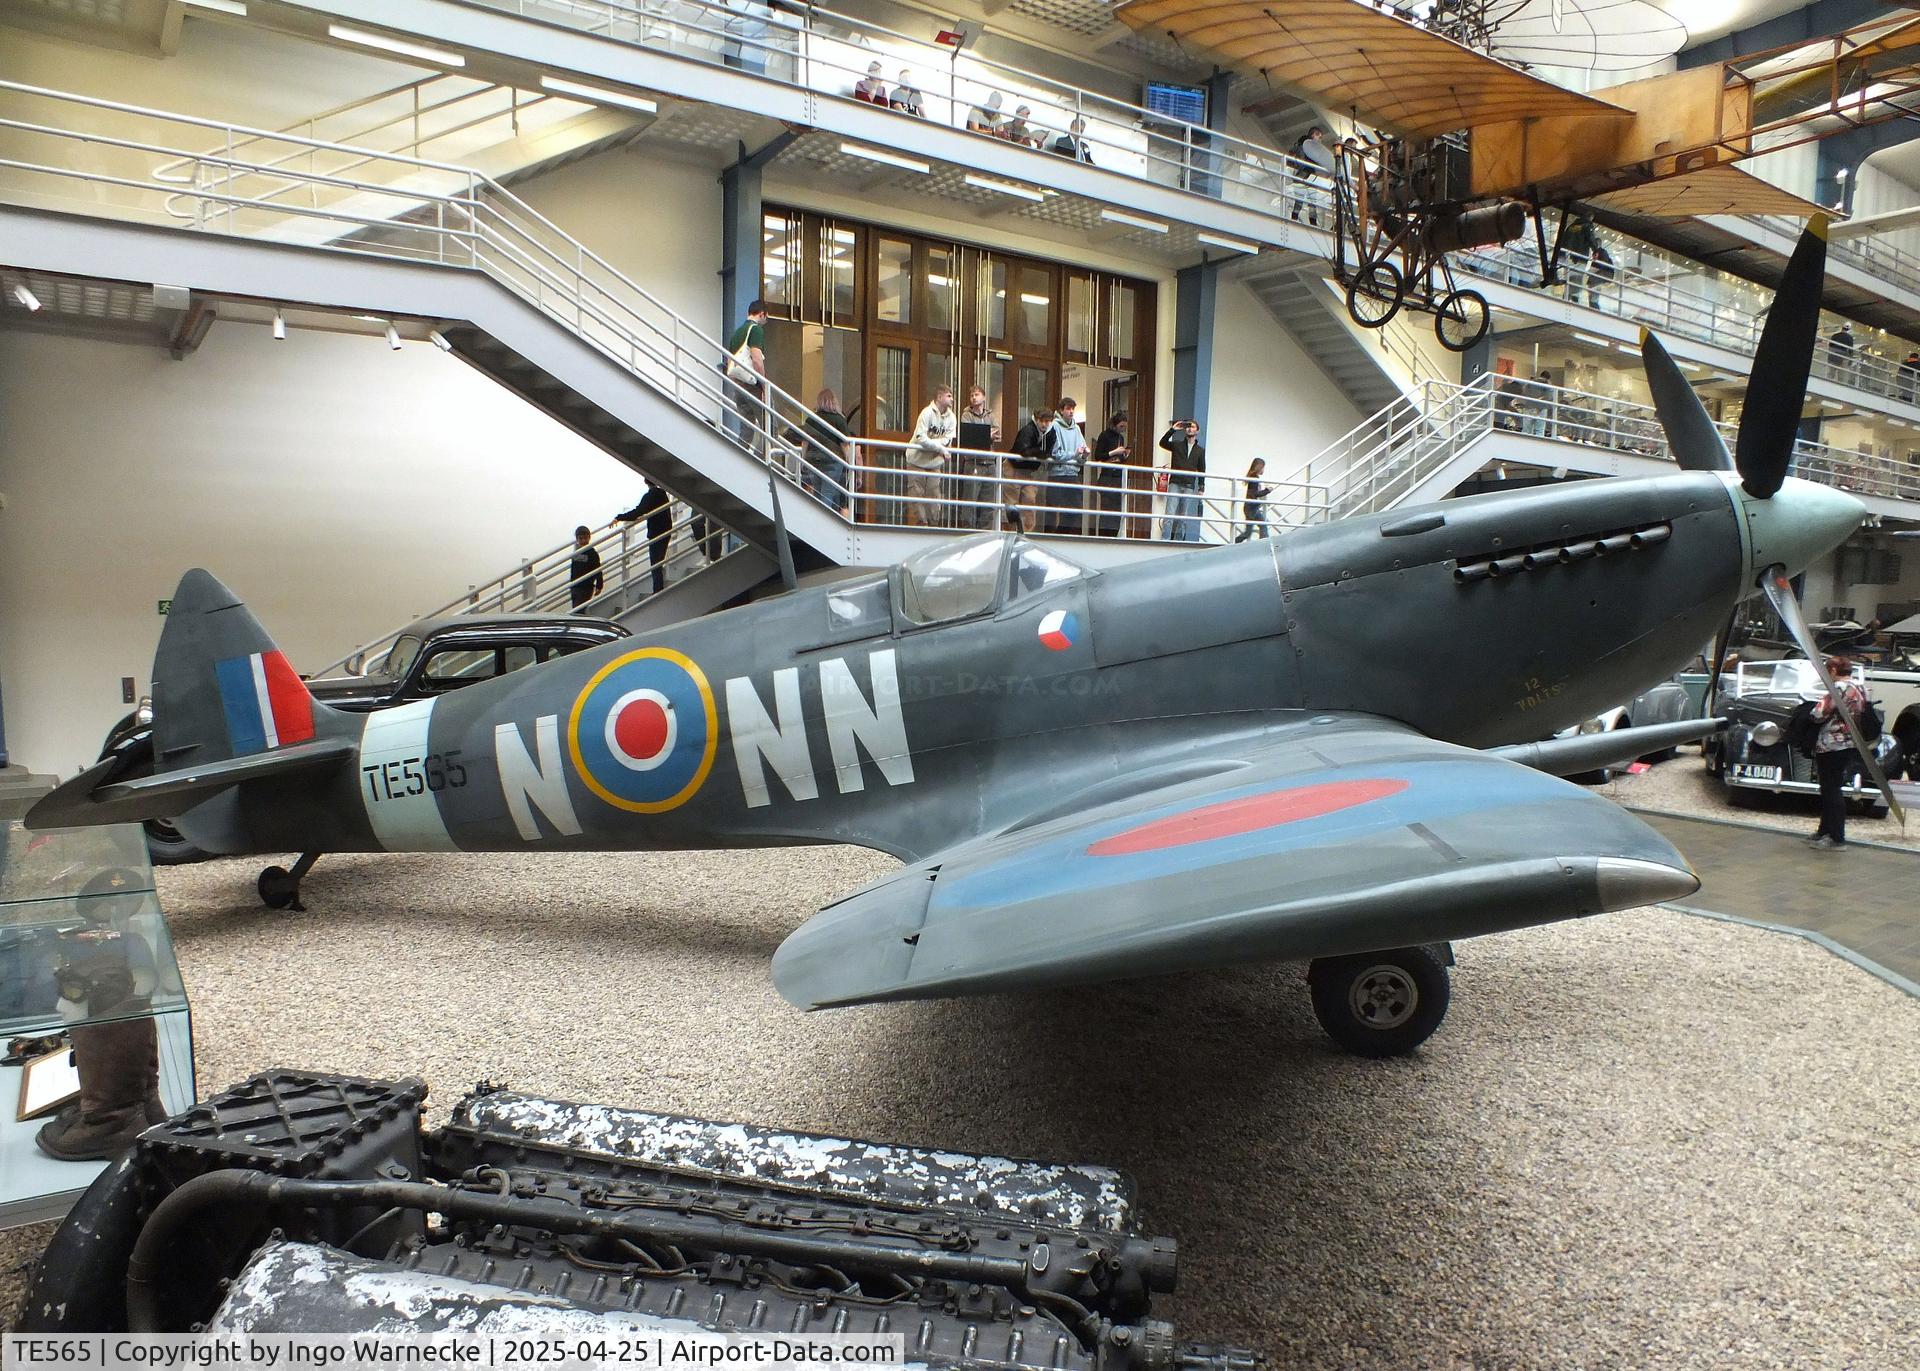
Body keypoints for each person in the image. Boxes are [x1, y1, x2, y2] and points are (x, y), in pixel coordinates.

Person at [1809, 656, 1872, 850]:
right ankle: (1825, 830)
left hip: (1832, 743)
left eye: (1828, 670)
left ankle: (1836, 837)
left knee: (1830, 789)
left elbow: (1818, 713)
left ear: (1834, 670)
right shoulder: (1860, 687)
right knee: (1833, 786)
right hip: (1849, 742)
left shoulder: (1839, 688)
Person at [906, 384, 958, 526]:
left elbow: (948, 440)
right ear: (939, 397)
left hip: (934, 463)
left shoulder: (952, 418)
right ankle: (922, 524)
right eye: (949, 396)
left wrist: (937, 446)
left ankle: (934, 524)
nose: (952, 399)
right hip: (916, 460)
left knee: (934, 494)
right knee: (916, 494)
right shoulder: (926, 413)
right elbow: (920, 437)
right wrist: (940, 448)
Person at [724, 299, 770, 455]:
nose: (766, 320)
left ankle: (740, 459)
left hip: (739, 385)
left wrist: (736, 384)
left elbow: (729, 362)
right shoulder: (756, 330)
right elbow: (756, 358)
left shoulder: (737, 333)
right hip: (752, 385)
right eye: (766, 317)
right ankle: (759, 463)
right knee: (771, 428)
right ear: (762, 314)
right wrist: (764, 385)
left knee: (746, 429)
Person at [800, 388, 855, 515]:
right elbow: (845, 445)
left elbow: (805, 442)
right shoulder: (839, 420)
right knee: (828, 493)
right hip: (832, 462)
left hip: (813, 461)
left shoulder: (811, 419)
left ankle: (818, 520)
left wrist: (803, 460)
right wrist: (849, 463)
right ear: (834, 402)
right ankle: (824, 523)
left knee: (817, 493)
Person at [955, 385, 1002, 529]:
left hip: (990, 463)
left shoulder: (990, 415)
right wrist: (987, 435)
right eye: (972, 395)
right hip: (973, 462)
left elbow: (998, 434)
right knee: (970, 501)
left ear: (984, 397)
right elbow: (969, 436)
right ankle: (968, 531)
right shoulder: (966, 415)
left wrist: (982, 435)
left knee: (989, 503)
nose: (974, 397)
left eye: (977, 394)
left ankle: (986, 532)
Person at [614, 482, 673, 594]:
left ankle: (657, 591)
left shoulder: (650, 496)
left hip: (656, 533)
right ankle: (658, 590)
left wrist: (619, 517)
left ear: (646, 482)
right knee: (658, 564)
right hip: (666, 531)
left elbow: (638, 512)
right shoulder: (662, 494)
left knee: (655, 564)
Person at [1007, 406, 1055, 533]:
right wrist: (1040, 452)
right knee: (1012, 502)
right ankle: (1012, 532)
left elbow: (1048, 451)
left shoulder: (1051, 433)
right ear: (1036, 420)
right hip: (1013, 468)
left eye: (1047, 421)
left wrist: (1039, 453)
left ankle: (1027, 532)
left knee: (1030, 500)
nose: (1045, 424)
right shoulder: (1027, 430)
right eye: (1042, 421)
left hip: (1029, 471)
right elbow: (1022, 450)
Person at [1047, 398, 1090, 535]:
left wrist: (1084, 455)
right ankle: (1050, 537)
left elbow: (1081, 451)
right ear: (1061, 410)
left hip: (1072, 474)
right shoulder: (1054, 426)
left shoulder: (1076, 428)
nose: (1071, 412)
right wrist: (1075, 454)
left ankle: (1062, 534)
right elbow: (1055, 453)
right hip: (1057, 474)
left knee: (1075, 509)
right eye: (1068, 408)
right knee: (1052, 509)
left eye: (1072, 409)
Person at [1159, 418, 1205, 542]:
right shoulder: (1177, 444)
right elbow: (1162, 443)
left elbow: (1201, 469)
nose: (1190, 428)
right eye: (1188, 426)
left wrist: (1201, 487)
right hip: (1175, 482)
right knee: (1170, 513)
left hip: (1189, 484)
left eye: (1193, 426)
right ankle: (1165, 540)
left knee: (1183, 516)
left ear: (1198, 431)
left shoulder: (1200, 451)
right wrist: (1173, 429)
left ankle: (1178, 541)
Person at [1090, 413, 1129, 537]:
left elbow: (1119, 458)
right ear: (1115, 424)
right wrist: (1114, 452)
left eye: (1125, 427)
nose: (1123, 429)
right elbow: (1098, 456)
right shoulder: (1105, 435)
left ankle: (1114, 535)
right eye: (1121, 426)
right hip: (1107, 477)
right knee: (1107, 508)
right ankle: (1103, 535)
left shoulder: (1120, 438)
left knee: (1117, 510)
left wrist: (1123, 455)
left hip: (1118, 477)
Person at [1290, 125, 1333, 225]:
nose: (1320, 139)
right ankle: (1300, 219)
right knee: (1302, 199)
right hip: (1304, 174)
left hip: (1310, 175)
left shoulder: (1306, 147)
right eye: (1319, 136)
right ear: (1313, 135)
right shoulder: (1304, 146)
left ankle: (1306, 220)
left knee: (1311, 199)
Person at [567, 525, 603, 610]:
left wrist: (599, 585)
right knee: (576, 609)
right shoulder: (576, 552)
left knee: (578, 610)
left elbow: (597, 569)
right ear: (577, 539)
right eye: (581, 538)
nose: (583, 541)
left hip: (586, 587)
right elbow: (573, 569)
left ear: (589, 538)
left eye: (585, 538)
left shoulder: (592, 553)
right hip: (575, 585)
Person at [1236, 457, 1271, 541]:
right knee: (1263, 525)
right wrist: (1267, 490)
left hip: (1249, 507)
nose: (1264, 470)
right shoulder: (1254, 479)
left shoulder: (1252, 477)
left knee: (1248, 532)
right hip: (1252, 508)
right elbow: (1256, 494)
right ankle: (1263, 543)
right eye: (1263, 467)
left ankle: (1236, 541)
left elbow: (1254, 493)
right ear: (1259, 467)